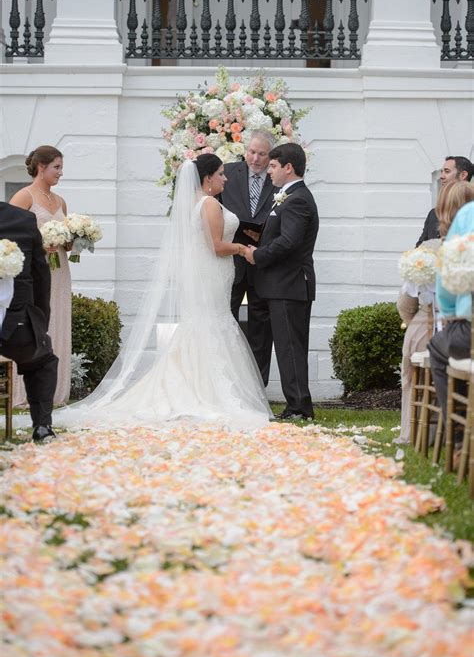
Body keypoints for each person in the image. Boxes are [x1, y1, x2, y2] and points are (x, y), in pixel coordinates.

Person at [53, 154, 272, 430]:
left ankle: (195, 384)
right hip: (212, 272)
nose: (225, 178)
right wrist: (243, 250)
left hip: (207, 273)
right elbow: (216, 245)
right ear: (207, 179)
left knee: (204, 325)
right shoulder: (210, 205)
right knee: (211, 323)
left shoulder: (196, 204)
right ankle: (204, 389)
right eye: (221, 174)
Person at [242, 143, 319, 420]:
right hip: (279, 285)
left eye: (273, 166)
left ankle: (300, 406)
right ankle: (296, 404)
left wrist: (257, 255)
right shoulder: (285, 196)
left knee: (290, 347)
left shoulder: (297, 198)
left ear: (288, 168)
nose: (268, 171)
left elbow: (289, 241)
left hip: (290, 284)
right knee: (285, 347)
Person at [395, 180, 474, 444]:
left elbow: (407, 305)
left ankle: (457, 434)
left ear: (441, 210)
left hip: (442, 325)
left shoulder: (430, 249)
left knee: (436, 350)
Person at [9, 145, 71, 407]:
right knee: (35, 325)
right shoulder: (24, 197)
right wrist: (37, 246)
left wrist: (71, 241)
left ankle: (54, 392)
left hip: (59, 270)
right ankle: (24, 393)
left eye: (61, 168)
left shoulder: (60, 202)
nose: (60, 173)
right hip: (34, 271)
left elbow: (66, 235)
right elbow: (9, 236)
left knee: (57, 321)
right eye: (56, 167)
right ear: (41, 167)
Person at [221, 129, 277, 385]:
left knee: (261, 327)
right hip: (230, 261)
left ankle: (256, 386)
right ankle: (223, 382)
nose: (255, 159)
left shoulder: (278, 179)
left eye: (261, 154)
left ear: (270, 157)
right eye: (252, 152)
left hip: (263, 263)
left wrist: (262, 237)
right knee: (224, 319)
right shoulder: (229, 174)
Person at [0, 202, 58, 442]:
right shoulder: (22, 220)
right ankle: (42, 426)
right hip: (15, 326)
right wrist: (40, 321)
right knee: (43, 360)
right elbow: (40, 275)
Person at [428, 192, 474, 430]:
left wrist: (450, 311)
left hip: (467, 329)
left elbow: (445, 283)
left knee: (437, 348)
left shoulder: (468, 214)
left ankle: (457, 439)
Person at [417, 156, 473, 246]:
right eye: (441, 172)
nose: (441, 176)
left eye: (447, 171)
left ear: (463, 175)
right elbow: (420, 247)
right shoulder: (433, 214)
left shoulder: (471, 212)